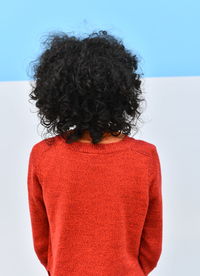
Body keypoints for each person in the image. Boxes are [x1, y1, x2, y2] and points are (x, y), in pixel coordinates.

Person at [27, 30, 163, 276]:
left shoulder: (43, 156)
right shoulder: (144, 157)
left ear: (56, 96)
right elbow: (151, 246)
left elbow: (42, 242)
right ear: (122, 92)